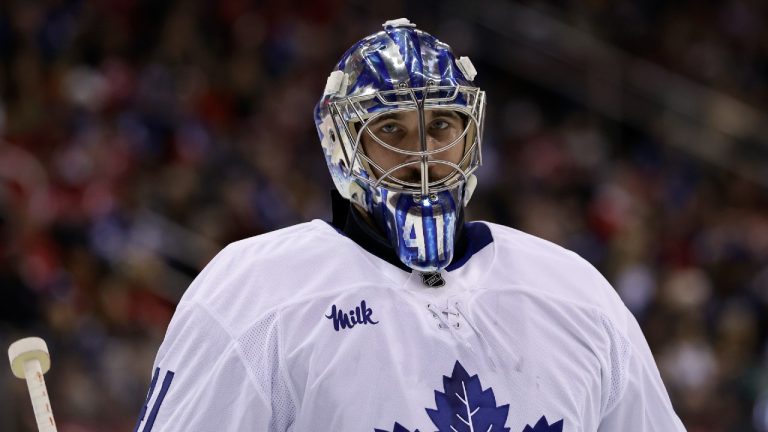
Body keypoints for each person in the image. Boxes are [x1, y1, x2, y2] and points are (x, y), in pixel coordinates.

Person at [134, 18, 685, 431]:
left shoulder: (574, 291)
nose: (422, 156)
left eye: (441, 124)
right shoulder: (254, 293)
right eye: (392, 131)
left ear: (471, 134)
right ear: (341, 145)